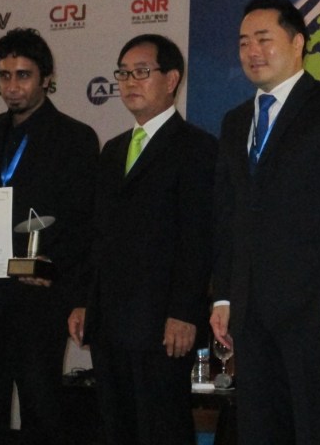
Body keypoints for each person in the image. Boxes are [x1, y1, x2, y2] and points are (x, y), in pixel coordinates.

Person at [209, 0, 320, 445]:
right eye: (244, 42)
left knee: (313, 425)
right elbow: (227, 216)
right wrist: (224, 296)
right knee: (260, 428)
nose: (252, 52)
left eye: (264, 39)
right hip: (249, 310)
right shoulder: (234, 122)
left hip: (312, 306)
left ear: (298, 42)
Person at [0, 28, 98, 444]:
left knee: (41, 409)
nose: (12, 86)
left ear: (45, 77)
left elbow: (82, 222)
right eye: (4, 76)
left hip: (37, 300)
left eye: (23, 75)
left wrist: (53, 268)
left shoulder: (76, 138)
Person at [68, 34, 217, 445]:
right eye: (123, 73)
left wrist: (185, 311)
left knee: (161, 428)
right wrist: (84, 299)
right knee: (117, 428)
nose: (129, 81)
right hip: (110, 318)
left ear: (171, 80)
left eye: (141, 72)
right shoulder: (113, 150)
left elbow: (197, 237)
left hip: (162, 322)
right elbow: (97, 235)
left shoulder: (197, 148)